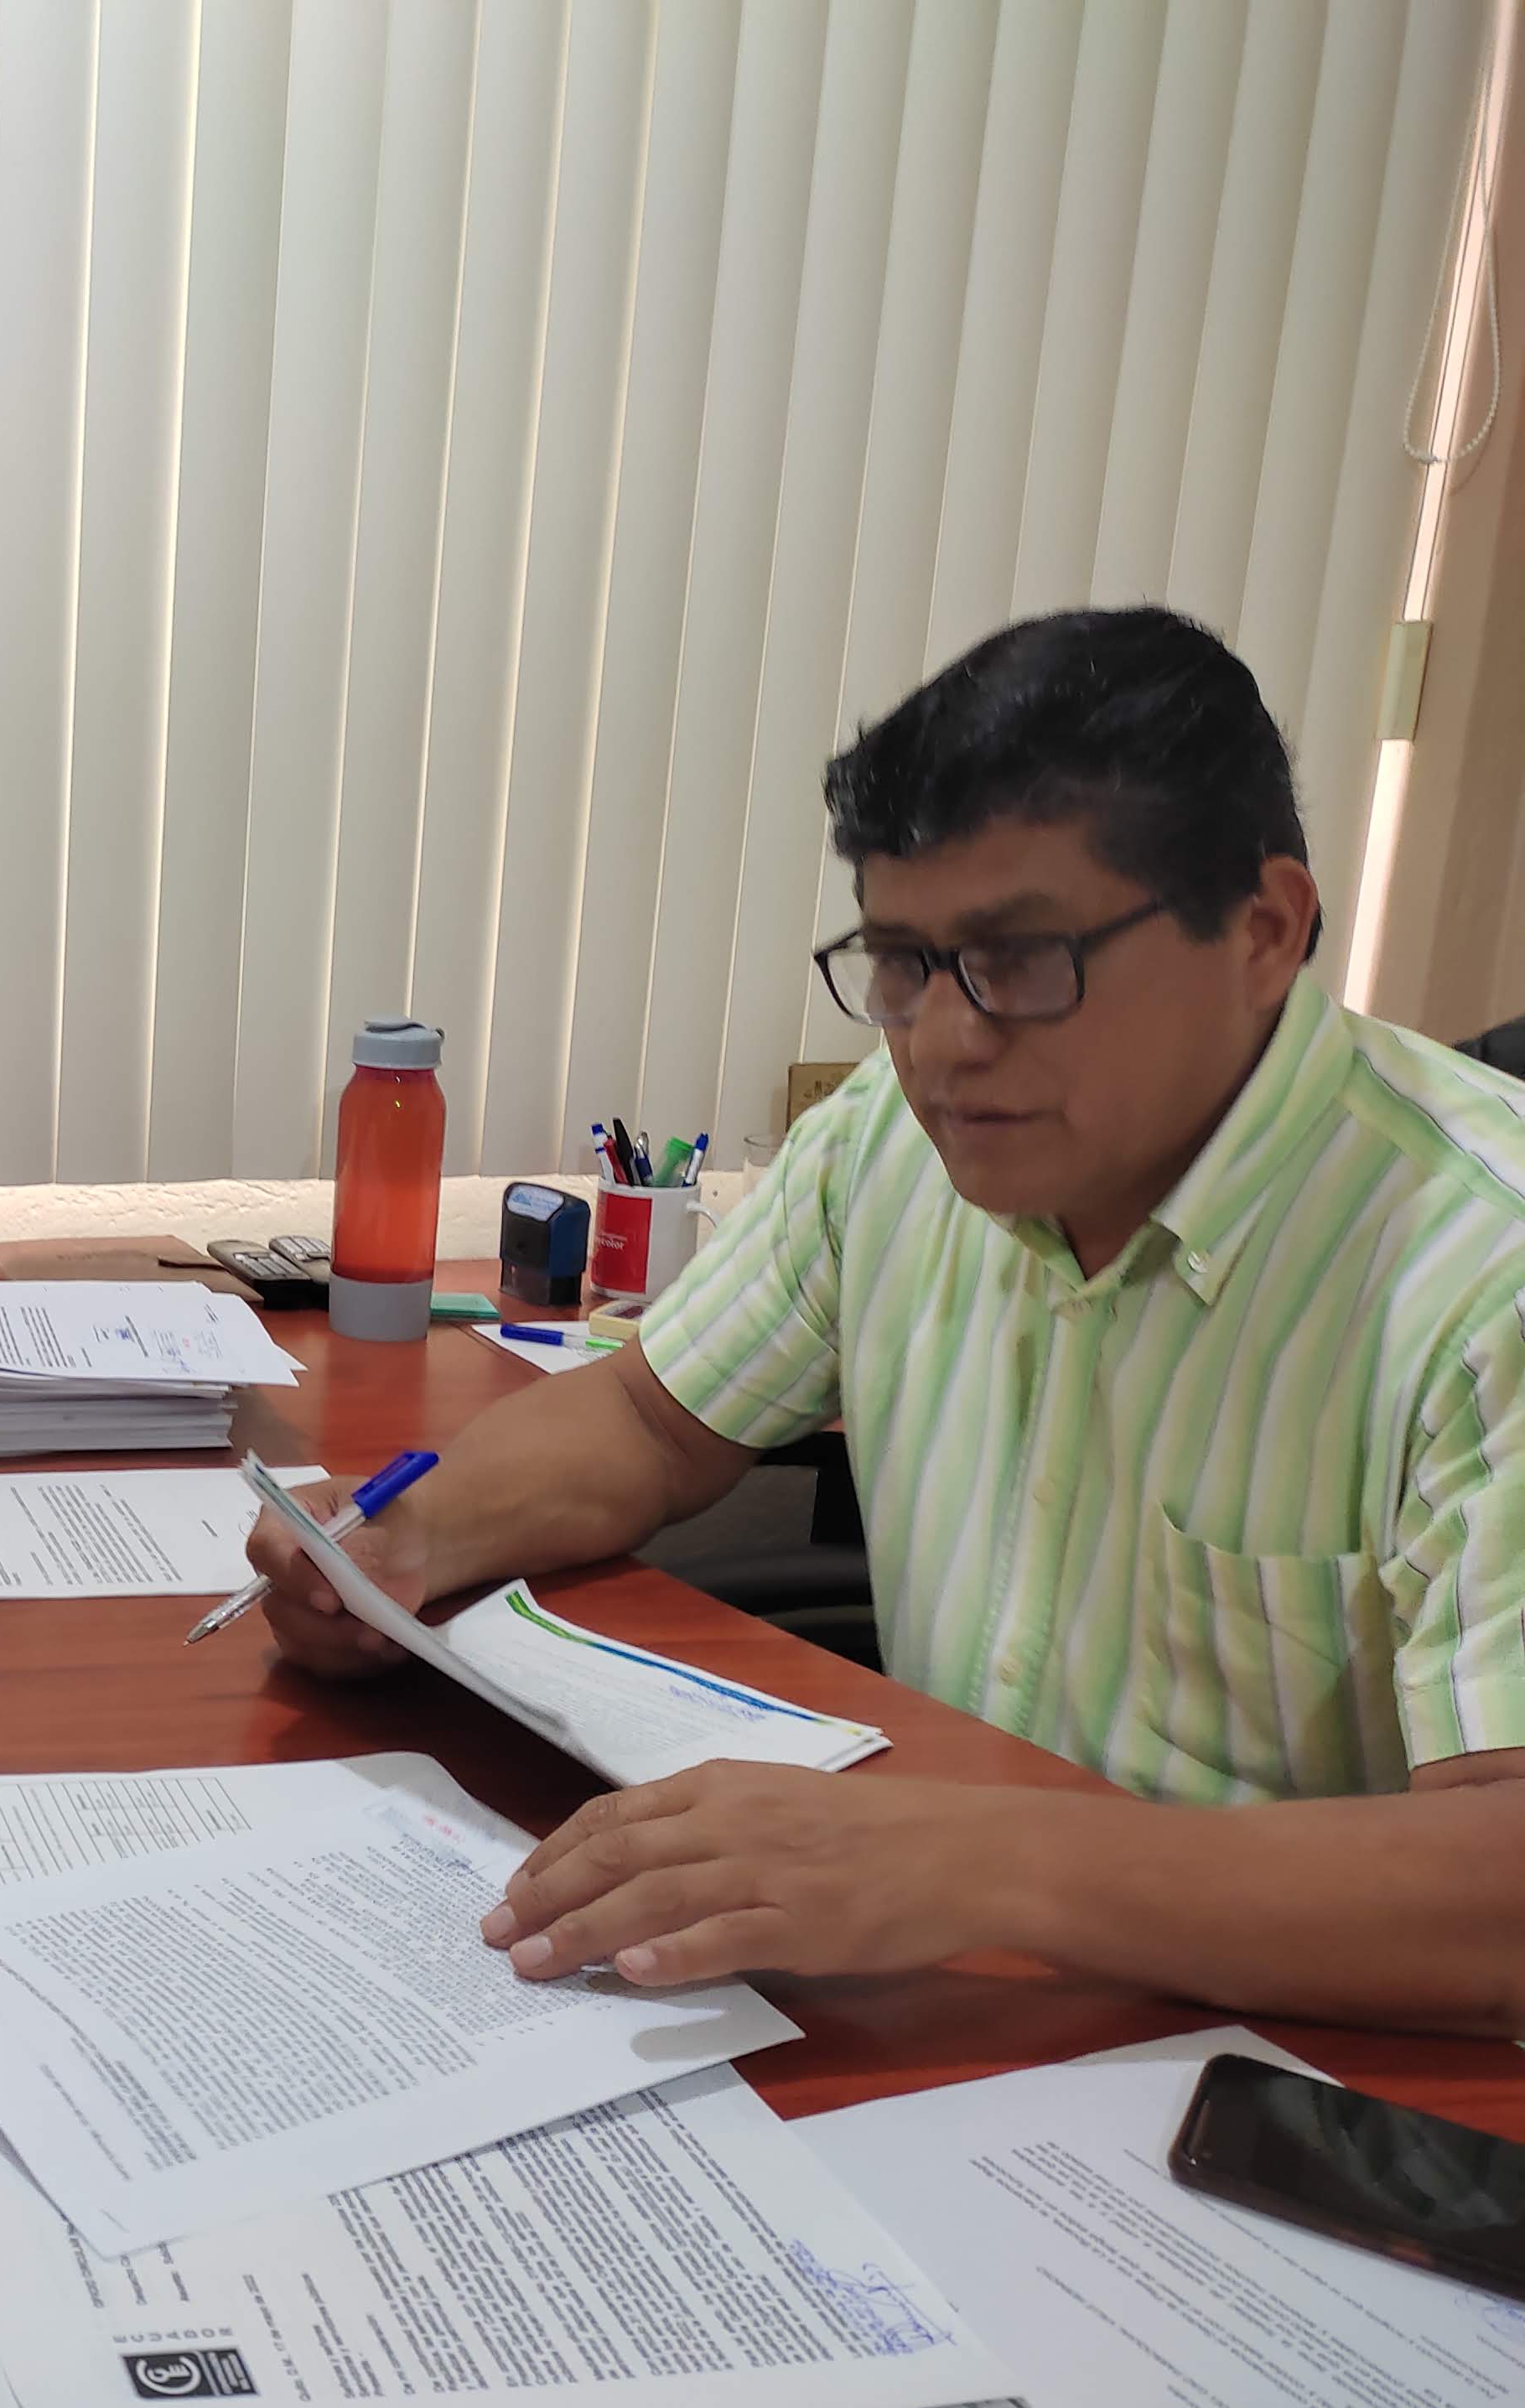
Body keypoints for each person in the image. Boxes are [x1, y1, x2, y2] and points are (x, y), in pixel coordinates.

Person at [251, 608, 1525, 2039]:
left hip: (1313, 2062)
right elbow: (651, 1420)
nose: (943, 1041)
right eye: (903, 962)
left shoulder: (1488, 1269)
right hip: (948, 2000)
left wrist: (987, 1863)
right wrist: (408, 1539)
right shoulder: (896, 1139)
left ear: (1264, 931)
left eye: (1023, 958)